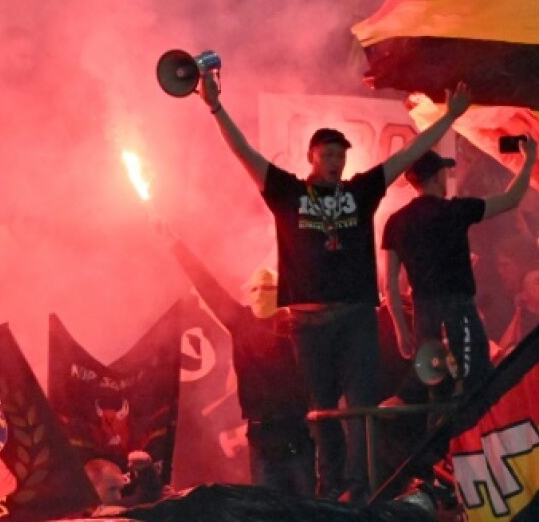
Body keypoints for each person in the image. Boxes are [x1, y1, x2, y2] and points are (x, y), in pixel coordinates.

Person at [199, 71, 471, 502]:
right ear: (311, 156)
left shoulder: (361, 191)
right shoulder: (288, 191)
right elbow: (243, 151)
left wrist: (449, 119)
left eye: (341, 155)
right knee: (321, 409)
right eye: (328, 154)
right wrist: (215, 107)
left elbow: (409, 154)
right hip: (308, 322)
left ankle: (359, 490)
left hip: (356, 316)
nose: (336, 161)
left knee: (359, 406)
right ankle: (330, 492)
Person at [381, 136, 538, 395]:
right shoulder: (455, 210)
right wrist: (529, 161)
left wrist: (401, 330)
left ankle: (439, 419)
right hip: (459, 307)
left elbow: (390, 285)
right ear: (437, 176)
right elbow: (511, 198)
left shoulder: (396, 222)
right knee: (477, 379)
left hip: (424, 312)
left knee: (434, 383)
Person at [167, 240, 313, 497]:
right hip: (268, 436)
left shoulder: (293, 325)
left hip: (293, 433)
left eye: (267, 288)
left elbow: (207, 286)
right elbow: (207, 285)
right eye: (257, 288)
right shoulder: (247, 322)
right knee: (282, 507)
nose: (261, 293)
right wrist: (175, 244)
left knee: (295, 507)